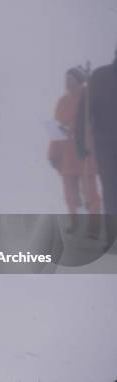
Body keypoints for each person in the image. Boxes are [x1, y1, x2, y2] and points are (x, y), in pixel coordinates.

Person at [48, 67, 101, 237]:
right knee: (70, 193)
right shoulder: (62, 101)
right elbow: (55, 130)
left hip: (85, 153)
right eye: (66, 77)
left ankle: (94, 225)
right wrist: (53, 153)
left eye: (72, 78)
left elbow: (95, 126)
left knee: (90, 193)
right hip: (66, 155)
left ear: (80, 81)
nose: (68, 81)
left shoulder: (89, 100)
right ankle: (74, 223)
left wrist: (76, 131)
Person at [88, 45, 117, 245]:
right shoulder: (100, 76)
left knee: (110, 190)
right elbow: (87, 110)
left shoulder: (99, 75)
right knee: (110, 190)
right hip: (106, 144)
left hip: (104, 143)